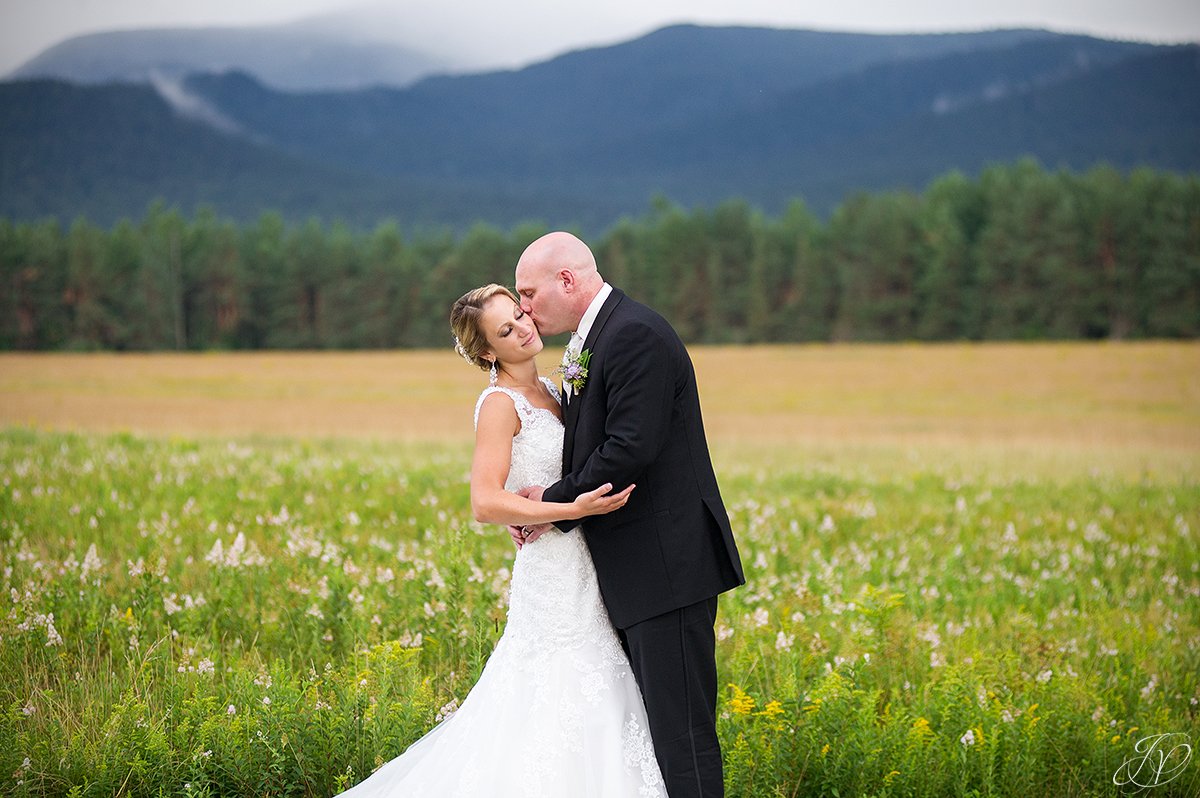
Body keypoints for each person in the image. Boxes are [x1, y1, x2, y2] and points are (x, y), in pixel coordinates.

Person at [333, 283, 667, 797]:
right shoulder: (498, 404)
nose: (523, 329)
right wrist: (567, 509)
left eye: (519, 315)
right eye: (505, 330)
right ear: (487, 351)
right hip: (552, 571)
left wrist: (563, 507)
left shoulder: (557, 391)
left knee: (597, 685)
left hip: (590, 564)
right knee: (555, 687)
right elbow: (485, 501)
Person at [514, 232, 745, 798]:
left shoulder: (635, 334)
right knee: (646, 735)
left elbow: (628, 449)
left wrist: (551, 504)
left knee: (681, 735)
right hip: (633, 572)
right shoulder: (599, 337)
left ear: (566, 281)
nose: (523, 308)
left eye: (527, 292)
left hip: (666, 567)